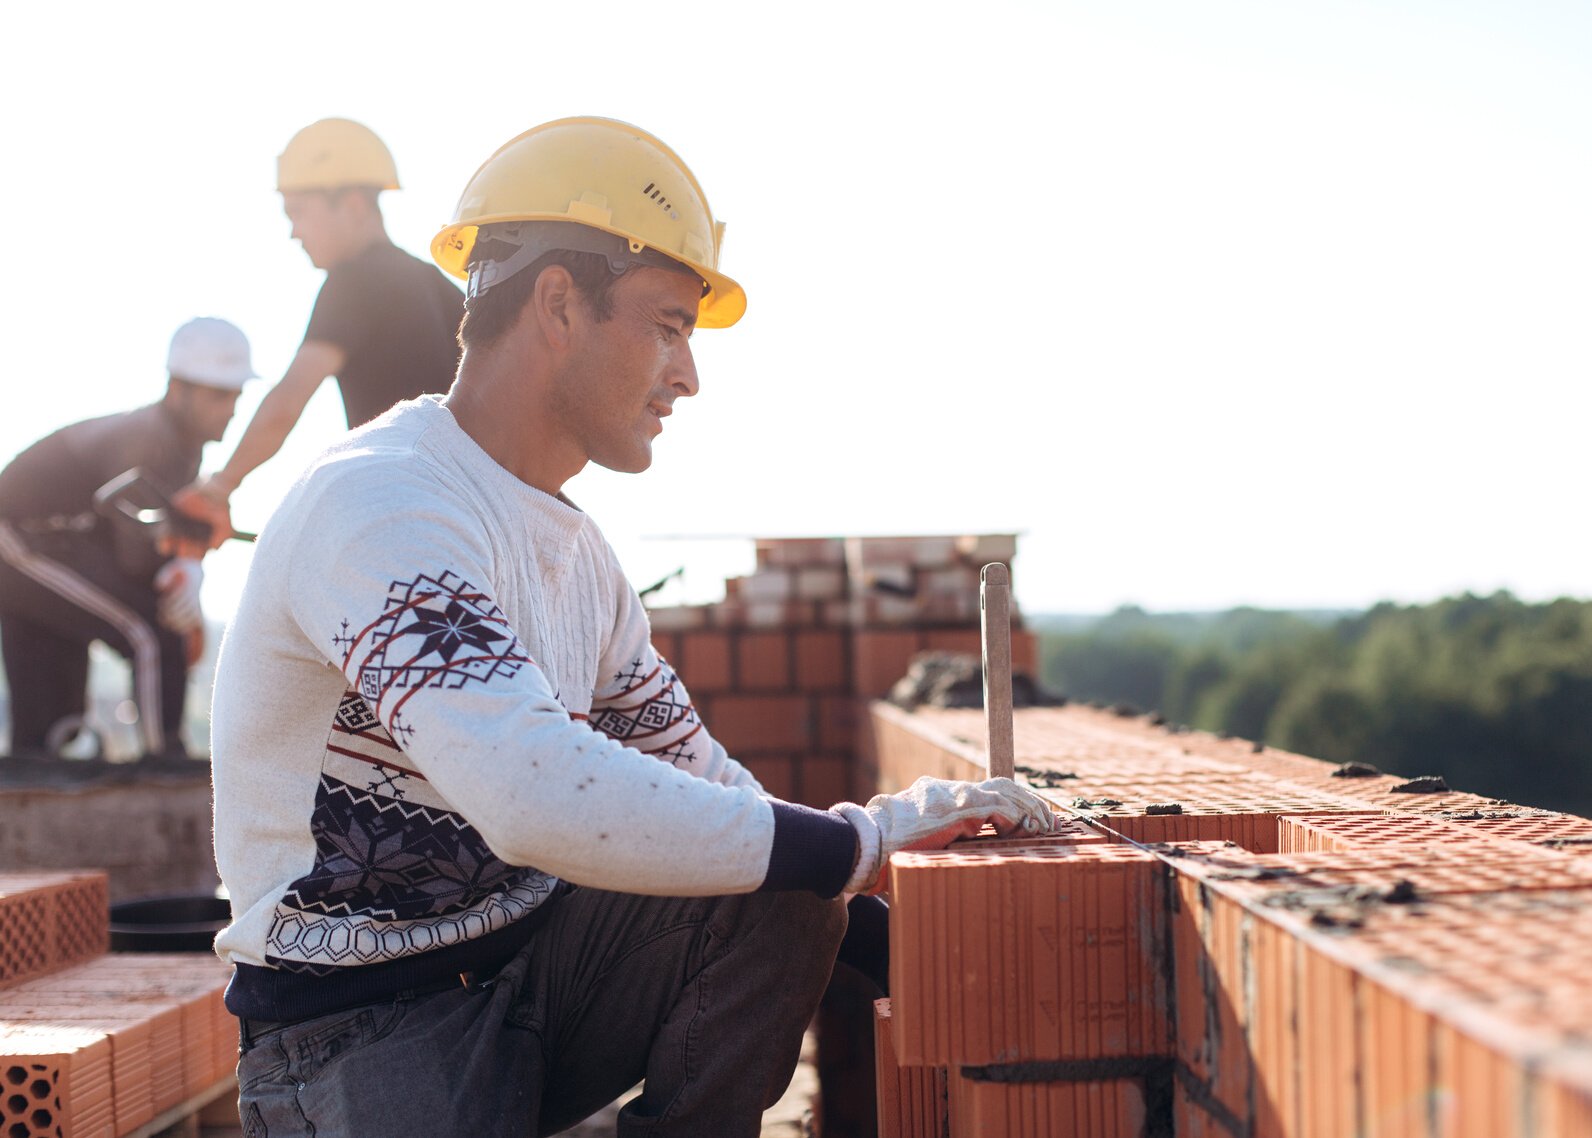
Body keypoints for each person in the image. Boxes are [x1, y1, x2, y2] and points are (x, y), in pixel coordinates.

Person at [211, 117, 1057, 1138]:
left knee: (783, 887)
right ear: (560, 302)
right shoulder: (385, 505)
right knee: (803, 861)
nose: (688, 375)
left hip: (529, 977)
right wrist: (859, 840)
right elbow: (529, 790)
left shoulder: (580, 559)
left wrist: (891, 923)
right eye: (667, 324)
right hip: (359, 1033)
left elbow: (708, 794)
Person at [173, 118, 464, 541]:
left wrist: (217, 488)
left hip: (410, 514)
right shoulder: (436, 285)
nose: (294, 233)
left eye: (299, 213)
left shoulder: (353, 281)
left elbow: (286, 405)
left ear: (353, 204)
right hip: (475, 512)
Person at [0, 317, 254, 766]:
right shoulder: (147, 439)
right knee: (150, 634)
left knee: (44, 734)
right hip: (19, 540)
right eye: (219, 396)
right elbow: (137, 556)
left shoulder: (183, 447)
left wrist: (185, 566)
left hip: (63, 544)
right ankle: (166, 762)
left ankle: (39, 766)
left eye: (235, 396)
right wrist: (184, 574)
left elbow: (148, 542)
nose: (231, 409)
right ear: (178, 390)